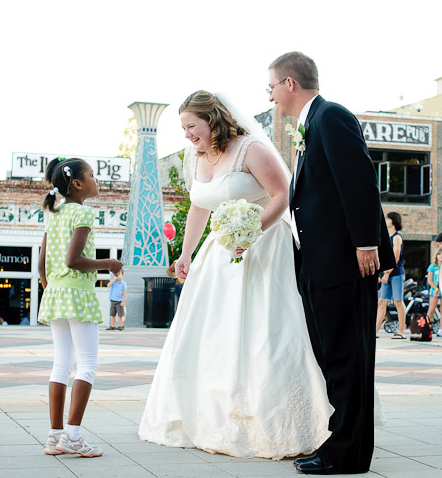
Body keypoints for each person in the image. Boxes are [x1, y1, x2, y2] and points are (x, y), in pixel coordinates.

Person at [139, 90, 344, 460]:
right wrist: (185, 253)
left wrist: (253, 231)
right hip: (218, 256)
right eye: (183, 128)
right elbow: (200, 206)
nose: (187, 134)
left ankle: (283, 422)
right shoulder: (195, 156)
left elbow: (283, 194)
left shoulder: (251, 149)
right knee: (215, 335)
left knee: (266, 333)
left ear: (212, 118)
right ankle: (212, 419)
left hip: (264, 247)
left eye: (191, 126)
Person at [268, 52, 396, 475]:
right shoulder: (310, 124)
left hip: (345, 262)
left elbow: (358, 179)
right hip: (318, 263)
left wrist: (365, 243)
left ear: (289, 83)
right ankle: (342, 442)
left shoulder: (331, 116)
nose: (269, 96)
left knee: (347, 358)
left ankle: (347, 452)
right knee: (333, 357)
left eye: (271, 86)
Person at [38, 157, 123, 458]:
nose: (96, 180)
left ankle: (54, 436)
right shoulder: (82, 214)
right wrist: (108, 263)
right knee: (87, 364)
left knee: (60, 364)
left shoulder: (54, 213)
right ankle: (73, 436)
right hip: (77, 294)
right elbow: (73, 260)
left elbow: (42, 265)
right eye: (92, 176)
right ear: (77, 183)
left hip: (57, 295)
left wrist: (52, 288)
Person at [375, 212, 406, 339]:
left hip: (396, 273)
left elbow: (396, 257)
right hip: (387, 274)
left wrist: (387, 273)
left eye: (388, 218)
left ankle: (402, 332)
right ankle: (374, 332)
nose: (386, 220)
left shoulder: (397, 237)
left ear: (393, 221)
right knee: (382, 301)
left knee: (398, 301)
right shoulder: (387, 237)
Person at [426, 249, 442, 337]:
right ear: (436, 256)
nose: (441, 256)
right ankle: (427, 327)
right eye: (439, 254)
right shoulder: (432, 267)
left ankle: (441, 329)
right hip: (434, 291)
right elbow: (430, 280)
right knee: (431, 310)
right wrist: (436, 288)